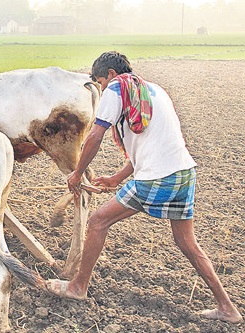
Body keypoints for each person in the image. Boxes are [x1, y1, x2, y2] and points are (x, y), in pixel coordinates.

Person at [47, 51, 243, 324]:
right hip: (184, 173)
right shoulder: (154, 91)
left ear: (111, 75)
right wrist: (116, 178)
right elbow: (151, 145)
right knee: (187, 242)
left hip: (157, 178)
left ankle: (78, 286)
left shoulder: (117, 87)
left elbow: (96, 133)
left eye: (100, 82)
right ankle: (227, 307)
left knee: (97, 221)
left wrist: (77, 172)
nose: (102, 88)